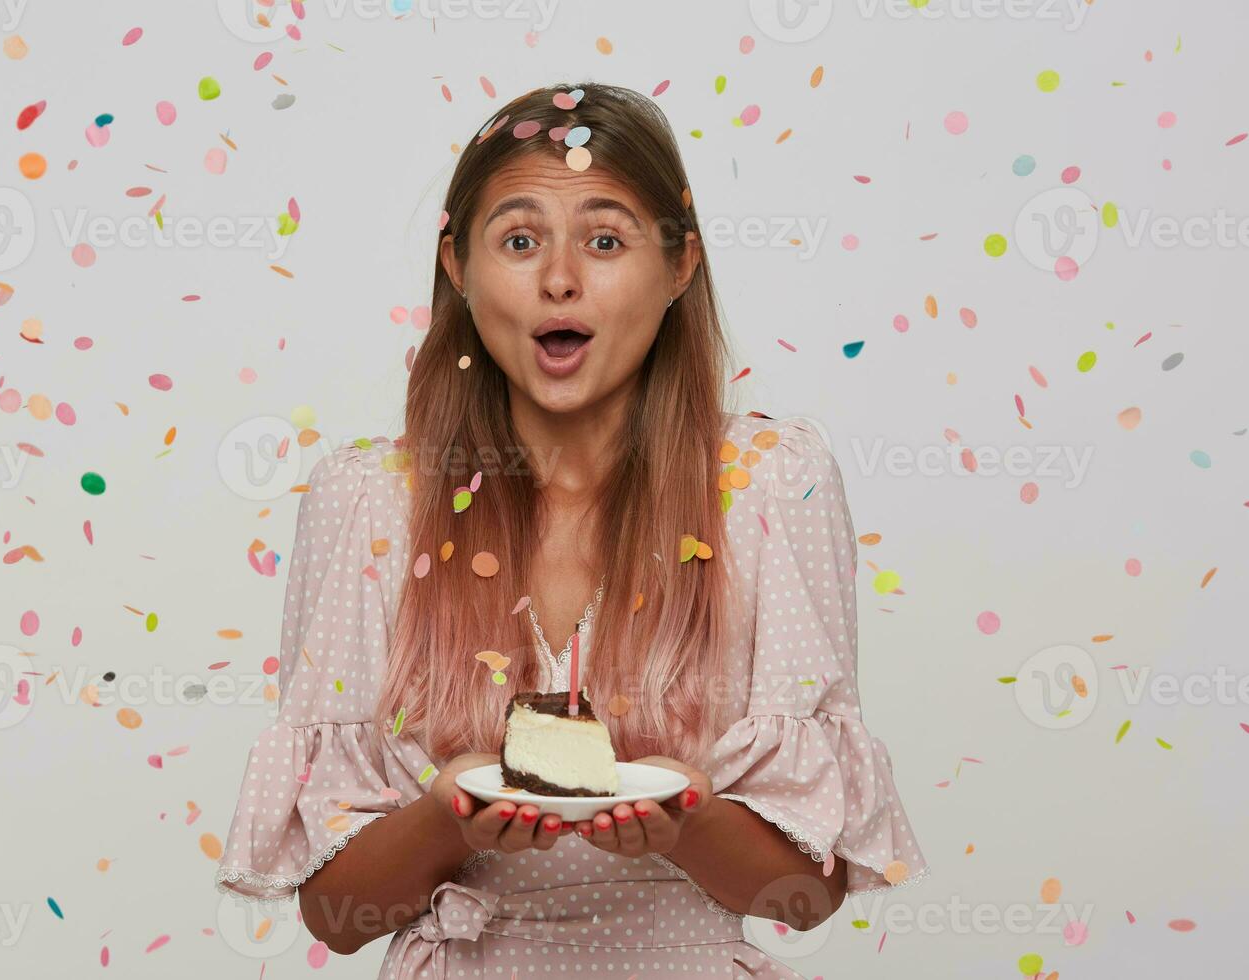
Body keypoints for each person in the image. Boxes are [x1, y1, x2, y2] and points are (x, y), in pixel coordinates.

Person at [214, 80, 928, 977]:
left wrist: (687, 820)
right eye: (519, 241)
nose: (560, 278)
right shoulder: (370, 501)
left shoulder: (772, 488)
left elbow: (805, 897)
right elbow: (337, 915)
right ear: (458, 269)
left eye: (604, 240)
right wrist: (448, 815)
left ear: (679, 267)